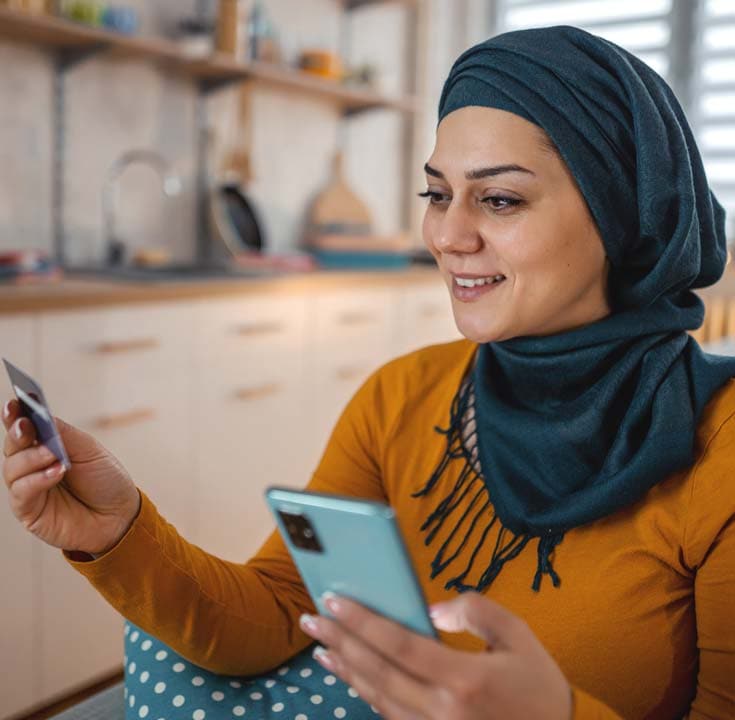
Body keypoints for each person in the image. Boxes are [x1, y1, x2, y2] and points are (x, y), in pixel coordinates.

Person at [3, 24, 735, 719]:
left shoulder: (721, 447)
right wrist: (118, 531)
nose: (447, 236)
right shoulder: (403, 396)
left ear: (625, 214)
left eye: (500, 199)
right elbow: (272, 616)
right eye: (436, 193)